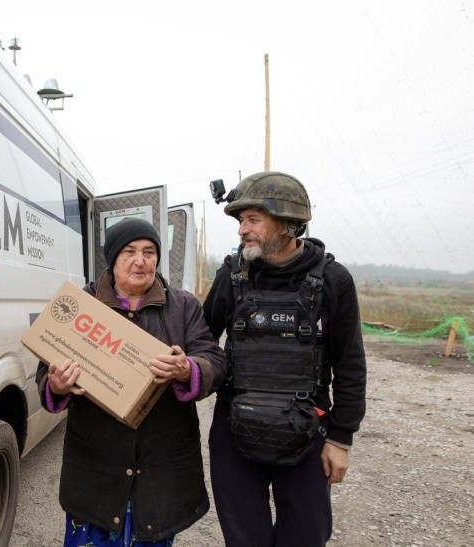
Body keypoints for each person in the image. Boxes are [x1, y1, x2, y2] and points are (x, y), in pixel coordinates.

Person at [35, 217, 227, 547]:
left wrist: (186, 368)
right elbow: (45, 373)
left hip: (161, 469)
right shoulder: (84, 305)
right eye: (130, 251)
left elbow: (214, 361)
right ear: (112, 259)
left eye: (149, 252)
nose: (141, 260)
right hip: (95, 467)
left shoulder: (182, 307)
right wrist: (56, 384)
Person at [202, 171, 367, 546]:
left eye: (253, 219)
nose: (242, 230)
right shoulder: (231, 276)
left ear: (289, 224)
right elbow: (202, 342)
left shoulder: (333, 280)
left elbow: (350, 365)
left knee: (307, 536)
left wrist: (340, 439)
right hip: (234, 431)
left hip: (307, 429)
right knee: (245, 539)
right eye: (241, 220)